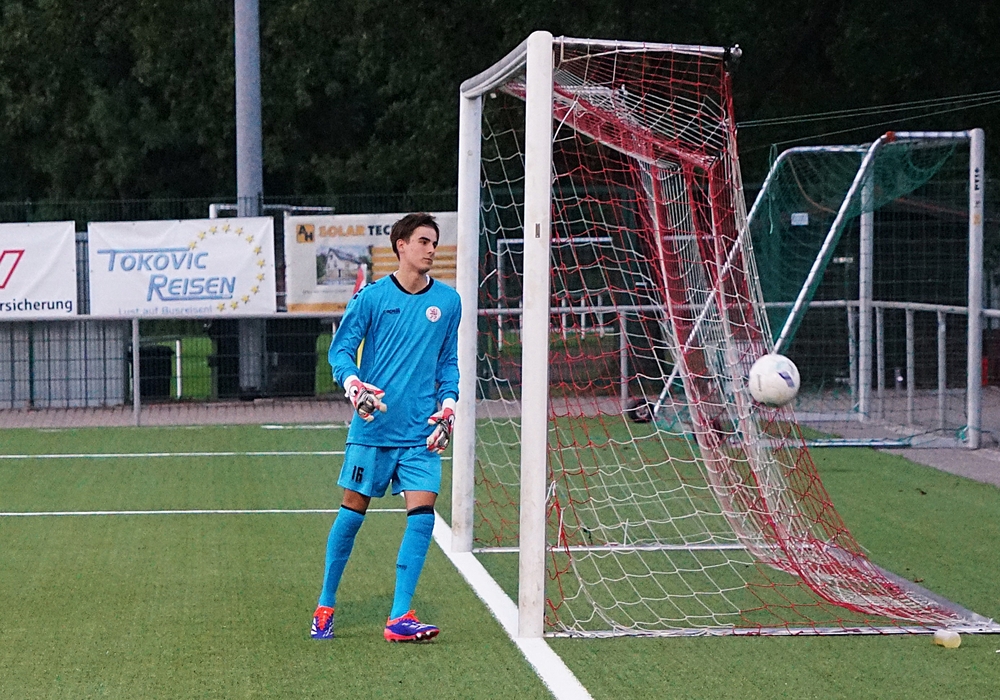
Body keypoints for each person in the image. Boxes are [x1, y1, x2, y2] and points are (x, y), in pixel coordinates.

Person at [311, 212, 461, 643]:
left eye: (434, 242)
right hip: (373, 430)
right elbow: (340, 353)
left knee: (423, 516)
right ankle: (325, 605)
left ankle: (399, 617)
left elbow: (448, 363)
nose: (431, 249)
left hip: (420, 433)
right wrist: (354, 386)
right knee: (352, 514)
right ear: (401, 245)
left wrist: (448, 407)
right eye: (423, 241)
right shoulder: (372, 298)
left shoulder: (448, 302)